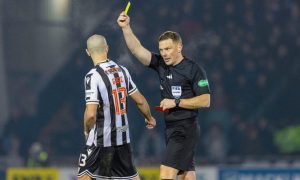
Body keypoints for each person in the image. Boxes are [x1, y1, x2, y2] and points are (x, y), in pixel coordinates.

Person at [117, 13, 211, 180]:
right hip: (171, 128)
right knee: (186, 175)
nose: (164, 53)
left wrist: (175, 102)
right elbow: (137, 49)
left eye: (168, 49)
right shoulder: (161, 64)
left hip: (185, 128)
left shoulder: (193, 69)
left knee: (165, 174)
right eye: (161, 50)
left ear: (179, 47)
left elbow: (206, 100)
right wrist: (126, 28)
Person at [77, 34, 156, 180]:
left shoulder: (93, 76)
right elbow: (140, 101)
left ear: (88, 52)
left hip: (99, 142)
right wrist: (149, 118)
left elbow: (91, 114)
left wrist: (86, 129)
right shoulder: (122, 71)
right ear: (107, 49)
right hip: (122, 142)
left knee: (85, 177)